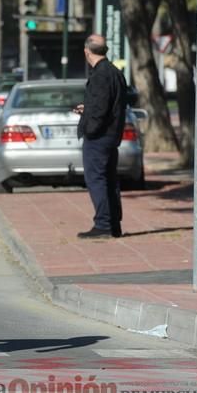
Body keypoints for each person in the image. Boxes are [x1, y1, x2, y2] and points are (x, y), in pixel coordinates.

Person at [73, 34, 127, 239]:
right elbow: (110, 104)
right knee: (110, 180)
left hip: (100, 136)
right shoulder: (115, 72)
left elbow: (101, 110)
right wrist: (88, 110)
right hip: (112, 135)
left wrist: (90, 126)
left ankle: (103, 225)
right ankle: (113, 224)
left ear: (87, 51)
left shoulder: (100, 75)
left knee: (96, 179)